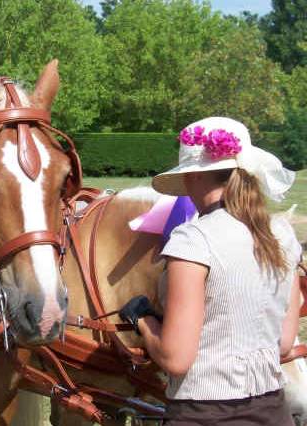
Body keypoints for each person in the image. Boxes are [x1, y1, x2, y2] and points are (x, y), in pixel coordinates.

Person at [119, 117, 303, 425]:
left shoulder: (193, 240)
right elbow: (284, 342)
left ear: (193, 177)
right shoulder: (282, 236)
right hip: (272, 411)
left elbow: (176, 359)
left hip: (204, 414)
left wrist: (143, 320)